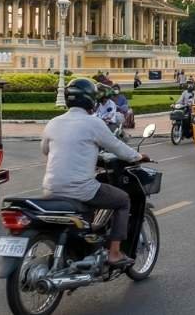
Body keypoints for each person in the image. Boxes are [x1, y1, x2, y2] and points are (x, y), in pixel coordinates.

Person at [41, 78, 149, 268]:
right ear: (91, 100)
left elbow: (46, 150)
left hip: (50, 189)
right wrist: (139, 156)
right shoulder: (93, 123)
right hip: (80, 190)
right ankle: (114, 253)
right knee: (123, 200)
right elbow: (118, 147)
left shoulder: (53, 123)